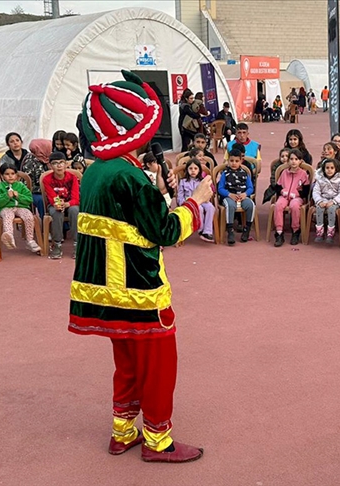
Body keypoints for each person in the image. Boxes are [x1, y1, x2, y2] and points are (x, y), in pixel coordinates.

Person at [69, 71, 213, 463]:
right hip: (141, 290)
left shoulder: (98, 171)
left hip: (106, 291)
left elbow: (124, 222)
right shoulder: (132, 177)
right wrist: (195, 201)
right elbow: (164, 231)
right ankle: (157, 441)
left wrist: (156, 192)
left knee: (127, 364)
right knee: (159, 367)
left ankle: (122, 432)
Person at [0, 162, 42, 254]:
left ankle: (30, 240)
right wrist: (6, 196)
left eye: (12, 174)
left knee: (28, 216)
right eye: (7, 174)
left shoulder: (21, 186)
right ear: (2, 176)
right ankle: (9, 236)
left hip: (21, 207)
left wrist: (18, 196)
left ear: (16, 175)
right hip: (5, 208)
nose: (10, 176)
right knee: (8, 216)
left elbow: (29, 200)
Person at [43, 151, 80, 259]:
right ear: (50, 166)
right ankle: (57, 244)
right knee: (56, 213)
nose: (59, 165)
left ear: (66, 164)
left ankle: (77, 244)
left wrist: (68, 203)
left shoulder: (72, 178)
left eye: (61, 162)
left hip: (70, 203)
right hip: (55, 204)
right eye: (55, 163)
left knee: (74, 211)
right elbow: (51, 196)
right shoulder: (47, 179)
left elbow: (75, 198)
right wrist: (58, 204)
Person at [272, 149, 310, 247]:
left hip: (296, 197)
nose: (293, 161)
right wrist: (282, 191)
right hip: (284, 196)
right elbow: (278, 186)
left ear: (300, 161)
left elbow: (306, 190)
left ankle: (295, 231)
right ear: (288, 161)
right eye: (291, 159)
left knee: (294, 206)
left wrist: (296, 194)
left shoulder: (303, 174)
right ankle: (279, 232)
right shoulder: (284, 172)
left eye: (296, 159)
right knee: (278, 205)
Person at [219, 147, 255, 245]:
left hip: (242, 196)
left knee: (250, 205)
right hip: (229, 197)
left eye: (236, 161)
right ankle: (230, 230)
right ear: (228, 161)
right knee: (230, 206)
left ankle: (247, 229)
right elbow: (220, 188)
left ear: (241, 161)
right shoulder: (225, 174)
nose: (234, 163)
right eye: (231, 161)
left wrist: (245, 194)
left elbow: (250, 188)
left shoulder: (244, 173)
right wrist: (229, 194)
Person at [178, 159, 215, 243]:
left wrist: (207, 198)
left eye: (195, 168)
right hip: (190, 202)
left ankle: (207, 231)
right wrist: (182, 203)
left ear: (199, 170)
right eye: (190, 168)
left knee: (211, 207)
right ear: (187, 170)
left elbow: (209, 192)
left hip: (203, 200)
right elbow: (180, 195)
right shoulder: (183, 181)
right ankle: (200, 229)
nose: (193, 171)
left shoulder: (202, 181)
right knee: (199, 209)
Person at [311, 158, 340, 244]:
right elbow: (316, 192)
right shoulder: (320, 179)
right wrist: (319, 201)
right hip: (323, 199)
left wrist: (334, 201)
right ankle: (319, 232)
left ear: (336, 169)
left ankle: (330, 232)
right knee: (319, 208)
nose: (329, 170)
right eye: (327, 168)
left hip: (336, 201)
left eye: (332, 168)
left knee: (331, 209)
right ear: (324, 169)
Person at [26, 139, 52, 217]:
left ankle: (64, 224)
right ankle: (46, 222)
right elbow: (32, 183)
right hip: (34, 191)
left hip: (48, 189)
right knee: (42, 200)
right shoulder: (31, 162)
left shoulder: (47, 158)